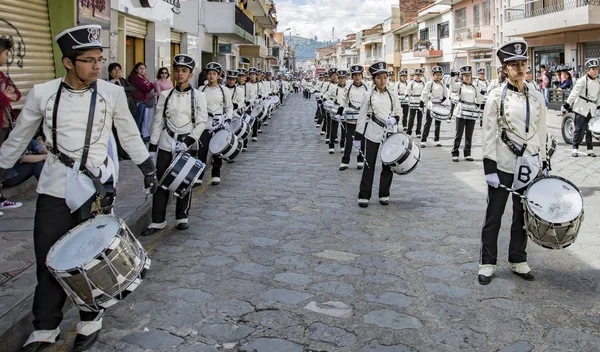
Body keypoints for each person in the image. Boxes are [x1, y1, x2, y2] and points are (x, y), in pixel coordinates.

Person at [0, 24, 157, 352]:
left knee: (90, 258)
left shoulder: (111, 93)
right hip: (54, 187)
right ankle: (45, 326)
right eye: (88, 60)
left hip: (94, 189)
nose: (97, 66)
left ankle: (90, 316)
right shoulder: (42, 93)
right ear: (68, 62)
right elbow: (18, 137)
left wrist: (147, 168)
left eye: (100, 59)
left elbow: (128, 134)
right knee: (48, 258)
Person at [479, 40, 547, 285]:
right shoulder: (497, 95)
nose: (520, 69)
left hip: (529, 165)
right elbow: (488, 132)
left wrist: (543, 161)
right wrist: (490, 169)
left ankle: (518, 259)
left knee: (523, 215)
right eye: (514, 65)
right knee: (494, 215)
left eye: (523, 64)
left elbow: (541, 131)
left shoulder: (536, 95)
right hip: (503, 164)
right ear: (505, 69)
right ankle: (487, 262)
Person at [144, 54, 208, 236]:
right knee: (161, 182)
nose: (180, 74)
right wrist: (152, 148)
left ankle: (182, 217)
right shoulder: (165, 95)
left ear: (190, 73)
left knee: (184, 182)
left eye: (184, 71)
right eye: (177, 70)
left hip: (186, 143)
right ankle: (158, 220)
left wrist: (189, 140)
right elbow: (158, 121)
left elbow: (202, 122)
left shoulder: (199, 96)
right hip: (166, 141)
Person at [354, 61, 403, 208]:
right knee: (369, 165)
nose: (382, 81)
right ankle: (364, 195)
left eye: (385, 77)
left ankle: (384, 194)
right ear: (373, 79)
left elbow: (399, 112)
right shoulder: (368, 95)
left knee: (388, 165)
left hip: (389, 133)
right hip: (372, 132)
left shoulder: (393, 95)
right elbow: (362, 117)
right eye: (379, 78)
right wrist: (358, 137)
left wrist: (395, 119)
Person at [199, 62, 233, 185]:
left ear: (218, 76)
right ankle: (199, 175)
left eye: (214, 74)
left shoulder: (223, 90)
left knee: (217, 149)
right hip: (204, 122)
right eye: (209, 74)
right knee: (202, 150)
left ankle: (216, 173)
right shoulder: (201, 89)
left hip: (219, 122)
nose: (211, 76)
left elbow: (229, 107)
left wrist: (228, 119)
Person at [564, 58, 599, 157]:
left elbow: (598, 95)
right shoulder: (582, 80)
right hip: (581, 107)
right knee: (579, 129)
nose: (595, 71)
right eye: (593, 69)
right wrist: (567, 104)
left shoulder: (598, 82)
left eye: (596, 69)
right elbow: (574, 93)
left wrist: (599, 106)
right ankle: (575, 148)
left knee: (589, 129)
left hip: (591, 108)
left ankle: (589, 149)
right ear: (588, 70)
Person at [339, 65, 367, 170]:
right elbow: (344, 99)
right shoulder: (348, 86)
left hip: (363, 117)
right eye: (355, 75)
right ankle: (345, 161)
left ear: (362, 76)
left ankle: (360, 160)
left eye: (359, 75)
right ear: (352, 76)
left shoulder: (367, 87)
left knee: (361, 140)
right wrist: (340, 109)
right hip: (351, 115)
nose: (357, 77)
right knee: (349, 139)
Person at [107, 62, 136, 160]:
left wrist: (122, 88)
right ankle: (117, 153)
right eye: (114, 70)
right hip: (115, 110)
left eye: (119, 70)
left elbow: (132, 88)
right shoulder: (109, 82)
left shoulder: (122, 80)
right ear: (110, 72)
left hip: (126, 108)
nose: (117, 72)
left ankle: (124, 152)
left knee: (124, 133)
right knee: (116, 133)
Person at [451, 66, 480, 162]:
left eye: (469, 75)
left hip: (471, 112)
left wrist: (483, 94)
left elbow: (479, 99)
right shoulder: (459, 85)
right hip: (461, 112)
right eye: (465, 75)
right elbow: (453, 85)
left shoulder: (475, 87)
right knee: (459, 133)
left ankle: (467, 153)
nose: (467, 77)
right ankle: (455, 153)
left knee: (469, 134)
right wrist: (452, 77)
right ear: (462, 77)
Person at [0, 35, 21, 147]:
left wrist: (9, 95)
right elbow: (4, 100)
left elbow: (17, 94)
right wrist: (6, 96)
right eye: (5, 54)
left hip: (6, 124)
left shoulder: (2, 76)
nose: (6, 58)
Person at [420, 66, 448, 147]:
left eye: (439, 74)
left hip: (439, 105)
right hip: (431, 105)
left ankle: (437, 139)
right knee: (428, 123)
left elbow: (445, 94)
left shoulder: (443, 85)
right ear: (433, 75)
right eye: (436, 74)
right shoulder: (430, 83)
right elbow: (424, 93)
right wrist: (421, 103)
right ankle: (423, 140)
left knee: (438, 123)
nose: (438, 76)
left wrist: (441, 98)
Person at [129, 62, 154, 133]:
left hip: (143, 101)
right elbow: (147, 88)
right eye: (140, 68)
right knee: (137, 119)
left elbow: (151, 85)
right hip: (138, 101)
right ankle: (135, 137)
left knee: (142, 120)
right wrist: (148, 82)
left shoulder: (142, 78)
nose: (142, 70)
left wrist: (148, 82)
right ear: (136, 69)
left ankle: (140, 136)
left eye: (144, 69)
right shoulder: (136, 78)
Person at [323, 68, 340, 154]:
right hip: (330, 104)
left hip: (339, 105)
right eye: (332, 76)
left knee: (337, 122)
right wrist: (324, 100)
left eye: (335, 75)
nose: (334, 77)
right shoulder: (328, 85)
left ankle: (335, 136)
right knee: (329, 121)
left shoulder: (341, 84)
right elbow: (325, 94)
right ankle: (329, 137)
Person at [405, 68, 425, 137]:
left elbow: (425, 93)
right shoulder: (411, 83)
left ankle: (418, 132)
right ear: (414, 75)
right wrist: (407, 96)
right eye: (417, 75)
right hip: (413, 100)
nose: (418, 76)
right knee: (411, 118)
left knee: (419, 118)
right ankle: (409, 131)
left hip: (420, 101)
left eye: (419, 75)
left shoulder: (423, 83)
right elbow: (407, 90)